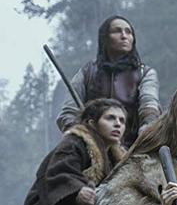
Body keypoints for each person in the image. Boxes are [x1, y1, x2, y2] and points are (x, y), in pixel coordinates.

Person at [20, 98, 126, 205]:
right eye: (110, 118)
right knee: (94, 198)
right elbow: (59, 173)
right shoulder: (73, 143)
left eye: (122, 121)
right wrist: (77, 191)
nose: (118, 124)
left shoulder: (115, 157)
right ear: (92, 123)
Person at [56, 16, 161, 146]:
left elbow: (149, 105)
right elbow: (68, 113)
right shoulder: (87, 72)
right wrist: (82, 137)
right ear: (105, 38)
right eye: (117, 31)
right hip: (90, 146)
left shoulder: (144, 73)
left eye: (128, 32)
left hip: (133, 147)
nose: (124, 36)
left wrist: (147, 130)